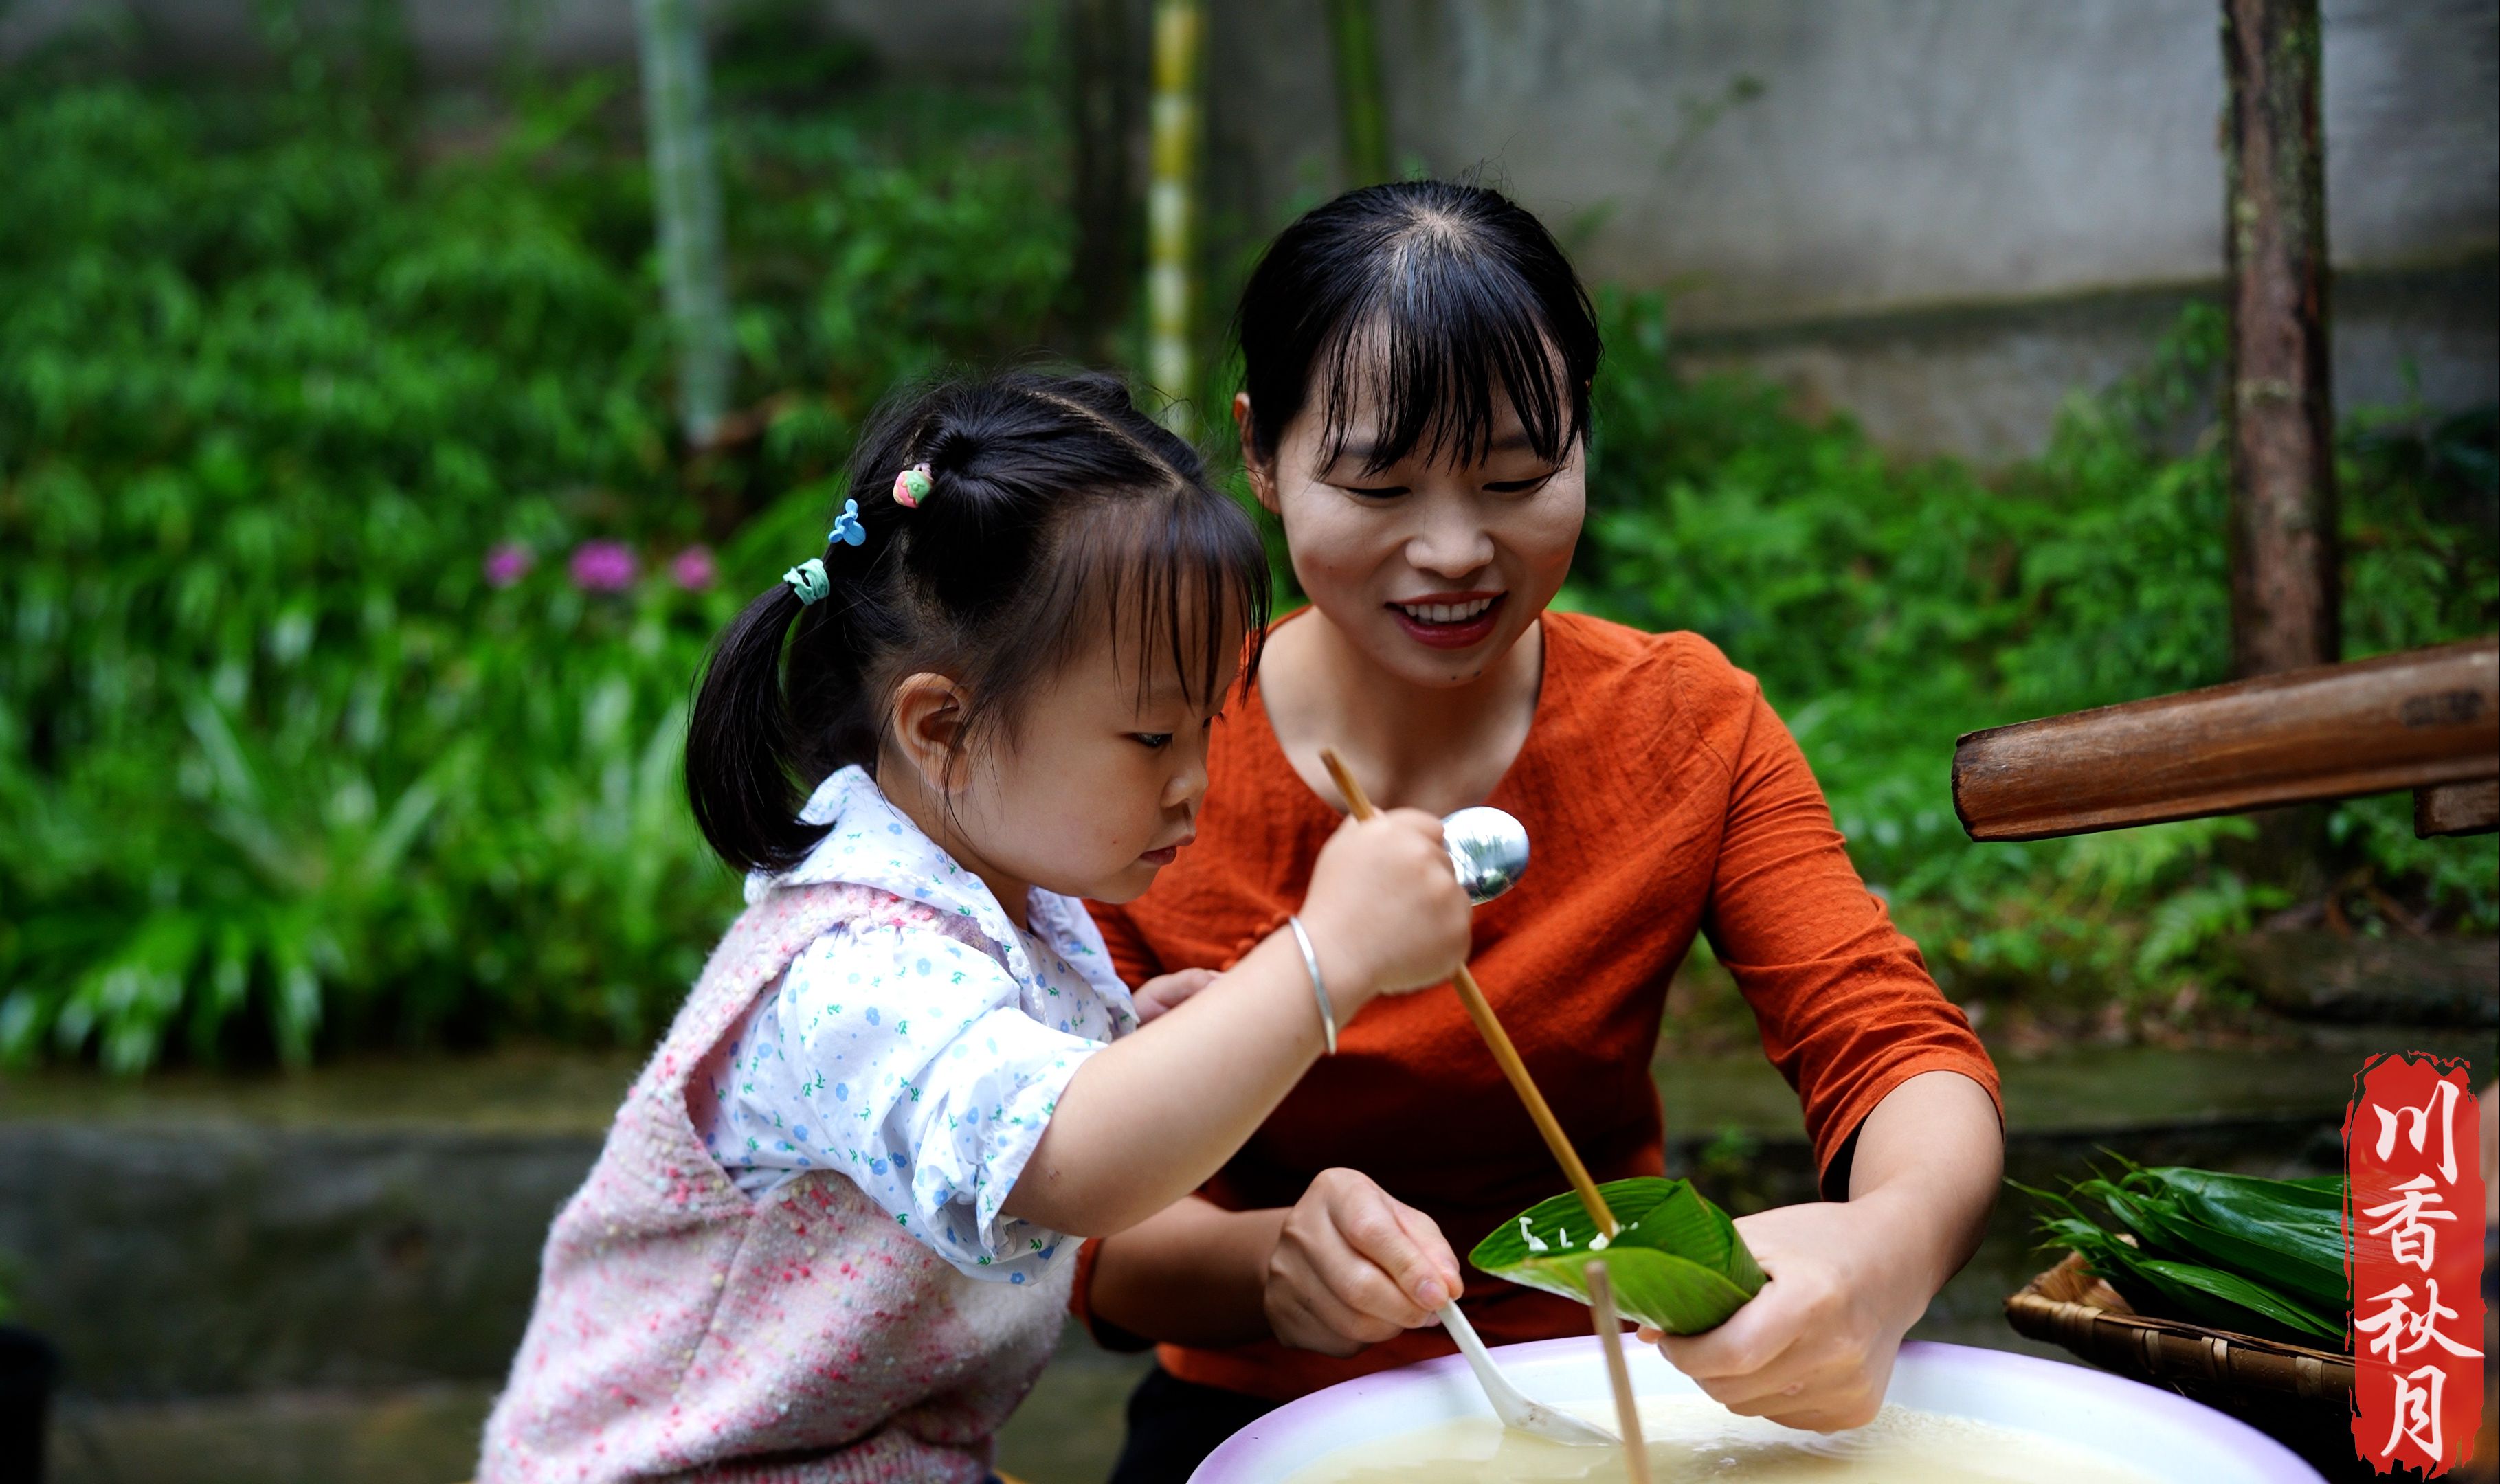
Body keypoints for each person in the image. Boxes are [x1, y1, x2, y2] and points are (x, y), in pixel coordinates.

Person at [1077, 181, 2008, 1481]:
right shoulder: (1143, 756)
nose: (1454, 549)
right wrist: (1267, 1267)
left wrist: (1886, 1249)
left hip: (1636, 1393)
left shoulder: (1684, 724)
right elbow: (1074, 1213)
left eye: (1519, 475)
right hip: (1254, 1413)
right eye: (1379, 483)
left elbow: (1895, 1045)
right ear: (1260, 455)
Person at [476, 372, 1476, 1483]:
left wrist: (1141, 1039)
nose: (1198, 781)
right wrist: (1323, 958)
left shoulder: (999, 896)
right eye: (1150, 736)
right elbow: (1067, 1160)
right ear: (941, 725)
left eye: (1209, 722)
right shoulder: (849, 970)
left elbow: (1017, 1086)